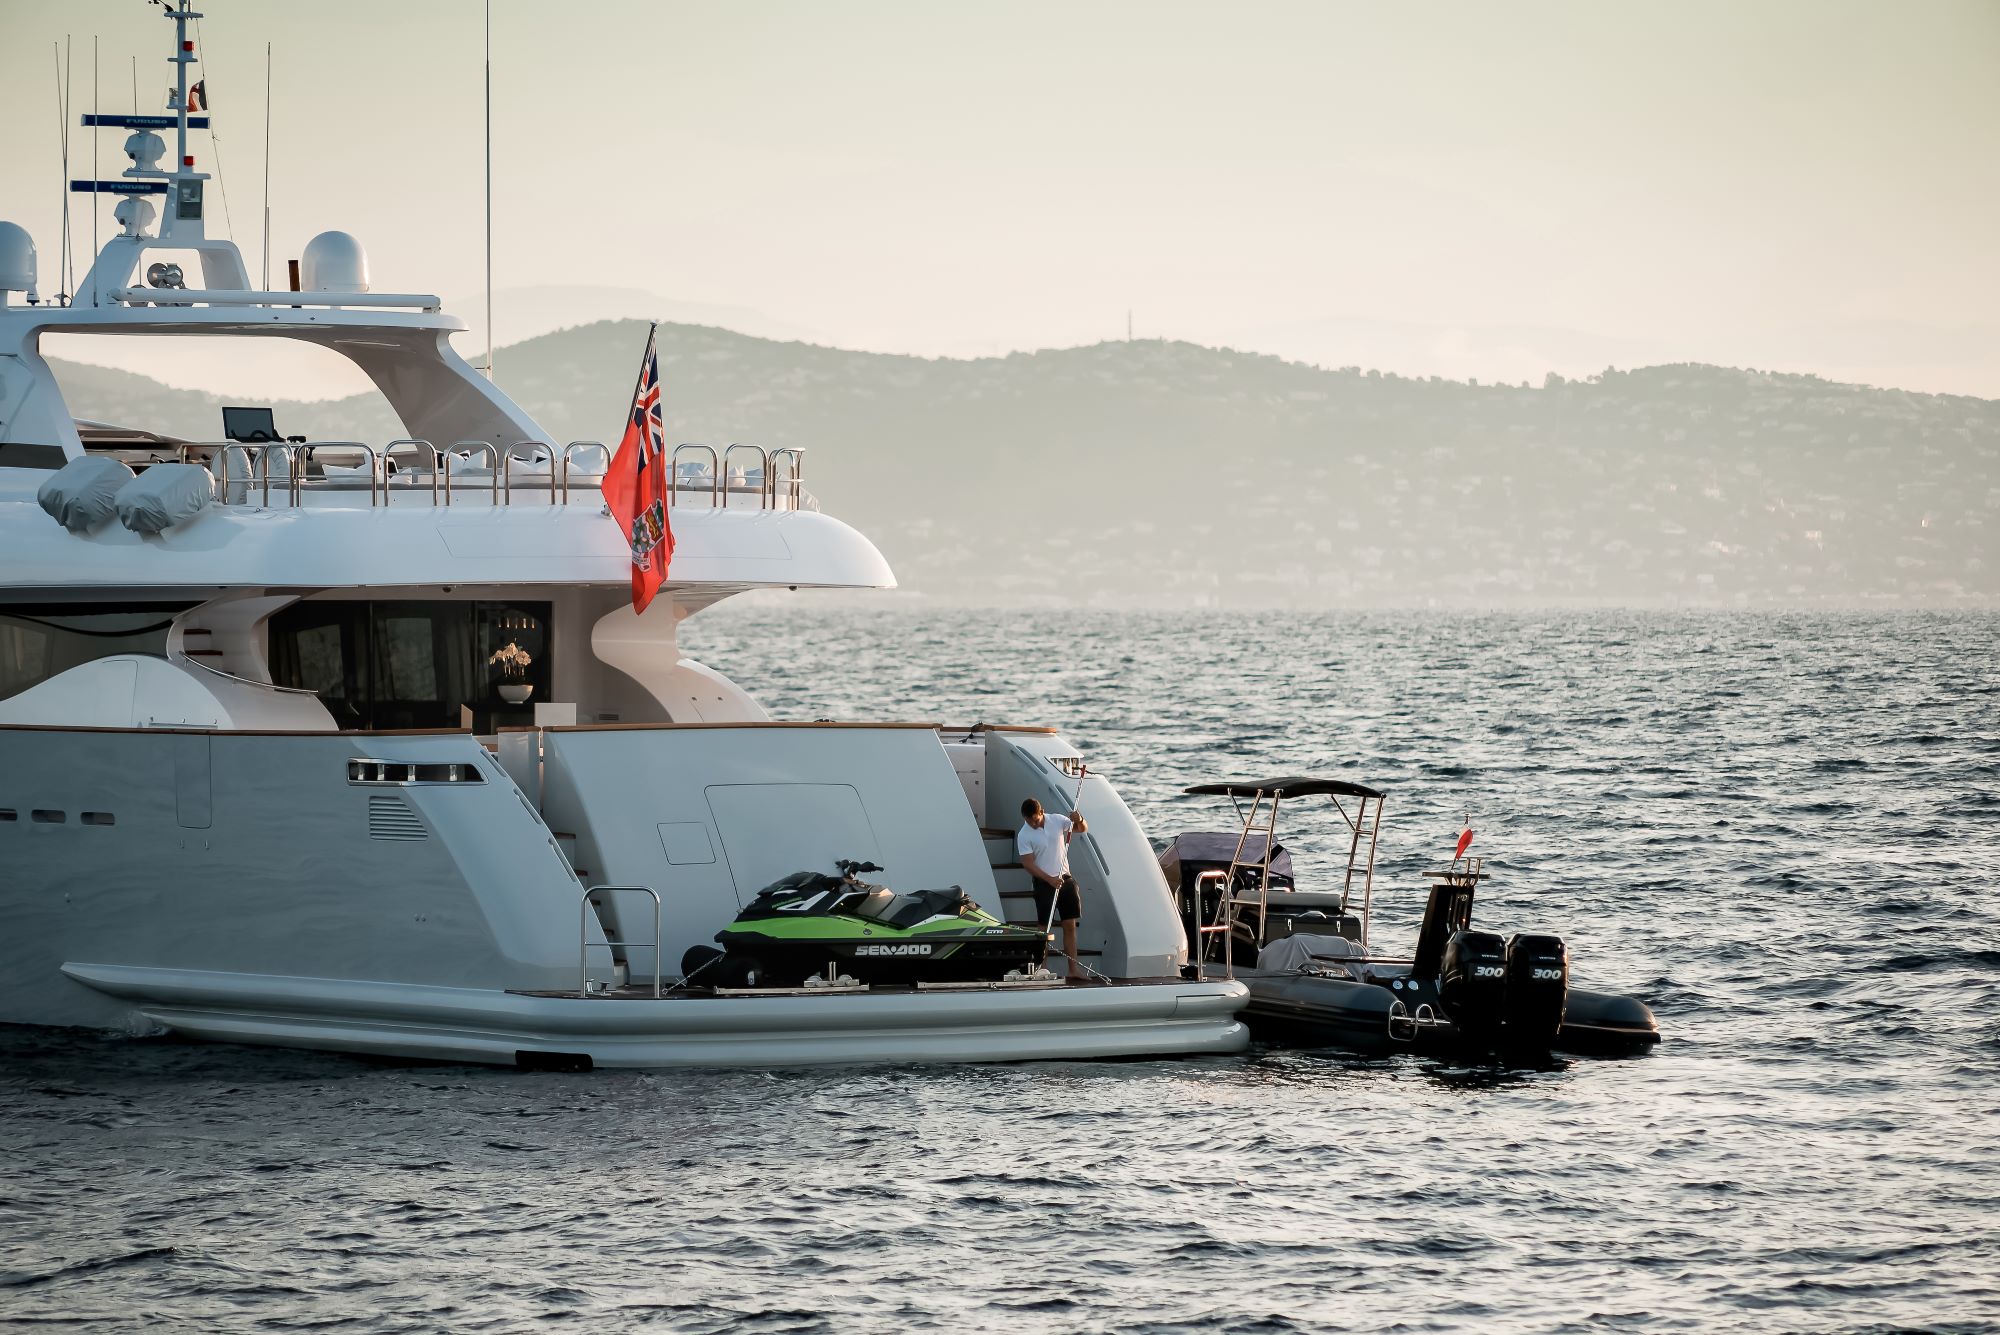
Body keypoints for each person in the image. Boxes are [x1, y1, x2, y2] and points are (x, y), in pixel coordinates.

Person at [1017, 797, 1087, 978]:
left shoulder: (1057, 820)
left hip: (1065, 880)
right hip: (1044, 883)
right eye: (1028, 820)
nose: (1032, 823)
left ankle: (1073, 970)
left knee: (1069, 925)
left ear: (1041, 813)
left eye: (1034, 819)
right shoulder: (1024, 834)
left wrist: (1079, 819)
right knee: (1043, 929)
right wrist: (1049, 879)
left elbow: (1081, 829)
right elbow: (1028, 864)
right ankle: (1043, 970)